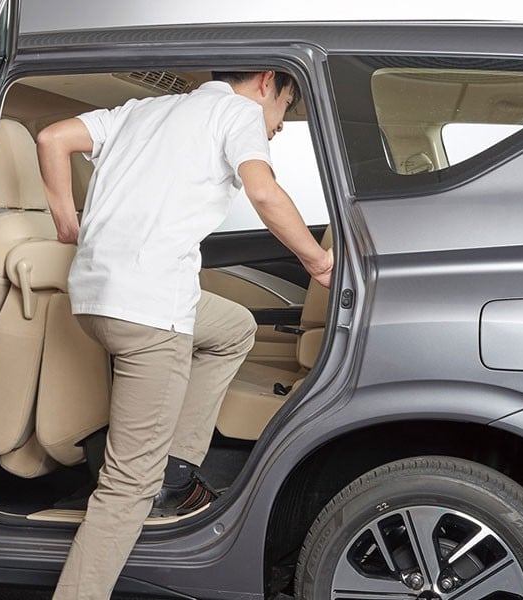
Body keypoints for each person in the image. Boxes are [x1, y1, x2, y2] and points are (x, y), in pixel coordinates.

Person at [36, 69, 333, 600]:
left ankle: (175, 468)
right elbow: (263, 192)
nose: (282, 124)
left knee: (235, 328)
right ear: (266, 82)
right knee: (127, 487)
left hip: (95, 297)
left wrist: (67, 223)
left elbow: (52, 138)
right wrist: (319, 262)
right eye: (287, 106)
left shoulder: (143, 110)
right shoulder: (238, 112)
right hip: (150, 313)